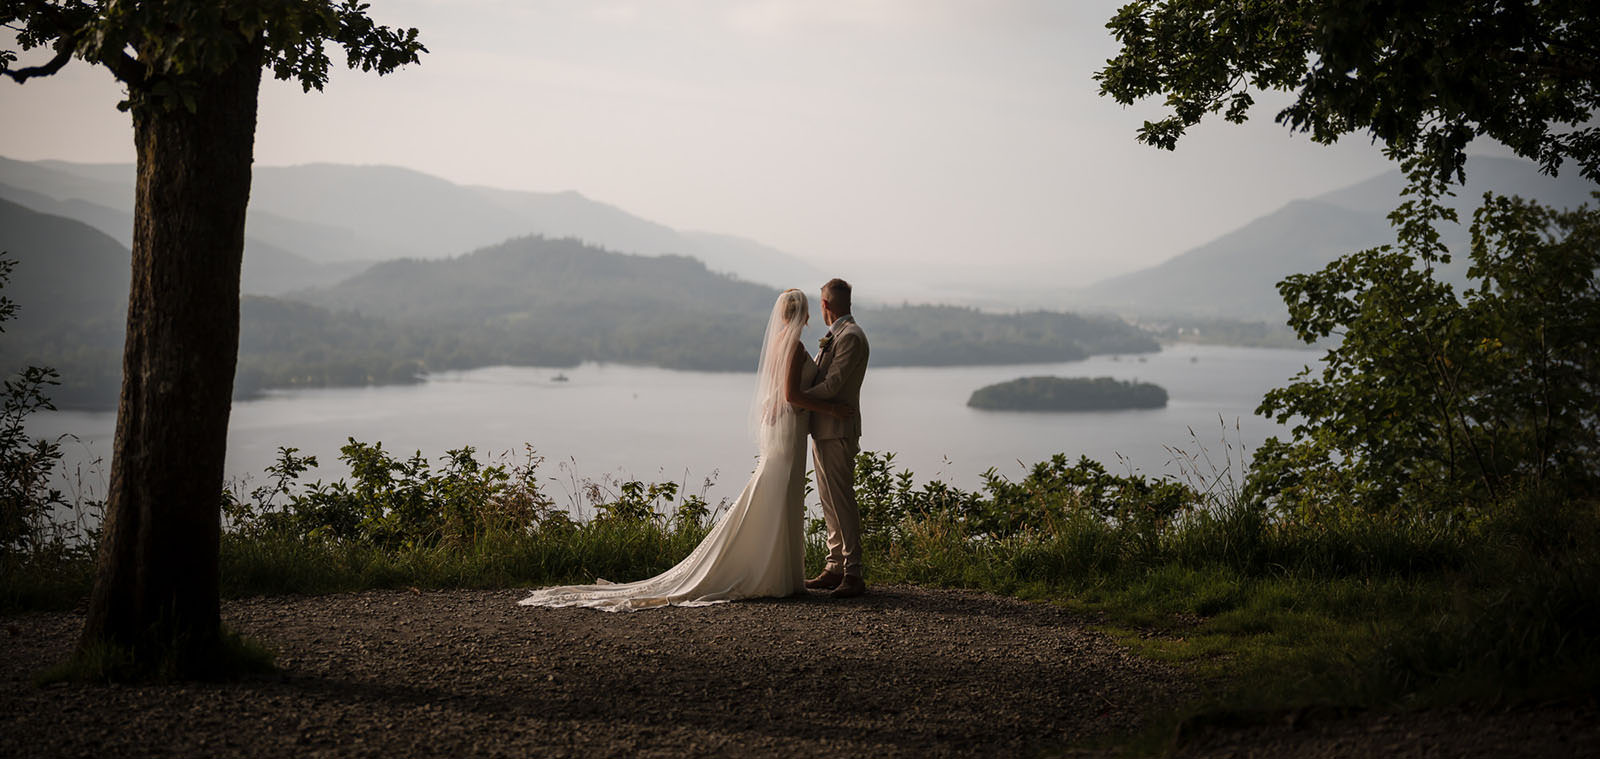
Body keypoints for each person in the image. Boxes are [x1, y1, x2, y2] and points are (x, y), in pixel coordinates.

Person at [518, 289, 851, 611]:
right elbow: (792, 396)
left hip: (787, 427)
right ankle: (773, 575)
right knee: (779, 494)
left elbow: (782, 394)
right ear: (804, 313)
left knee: (780, 494)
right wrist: (832, 410)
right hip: (789, 428)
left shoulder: (782, 342)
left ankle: (781, 574)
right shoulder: (792, 346)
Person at [800, 278, 871, 598]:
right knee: (829, 500)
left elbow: (833, 386)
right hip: (824, 427)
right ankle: (834, 567)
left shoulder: (851, 337)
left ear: (825, 305)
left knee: (842, 500)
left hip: (838, 430)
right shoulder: (836, 335)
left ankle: (853, 572)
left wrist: (795, 399)